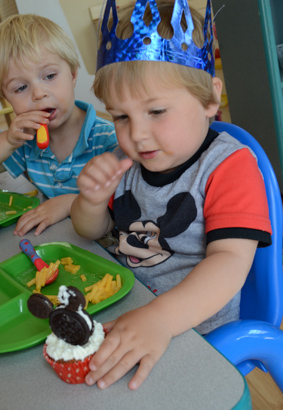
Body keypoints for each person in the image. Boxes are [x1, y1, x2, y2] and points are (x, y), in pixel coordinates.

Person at [71, 0, 272, 390]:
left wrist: (160, 318)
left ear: (210, 100)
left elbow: (230, 262)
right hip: (126, 306)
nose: (136, 134)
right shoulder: (124, 160)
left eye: (157, 111)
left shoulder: (229, 167)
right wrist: (92, 202)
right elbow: (91, 231)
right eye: (121, 117)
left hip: (191, 327)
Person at [0, 14, 117, 236]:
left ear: (73, 74)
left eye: (50, 75)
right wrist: (8, 140)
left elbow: (123, 211)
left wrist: (70, 203)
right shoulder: (25, 139)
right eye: (20, 88)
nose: (38, 93)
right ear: (6, 99)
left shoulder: (109, 140)